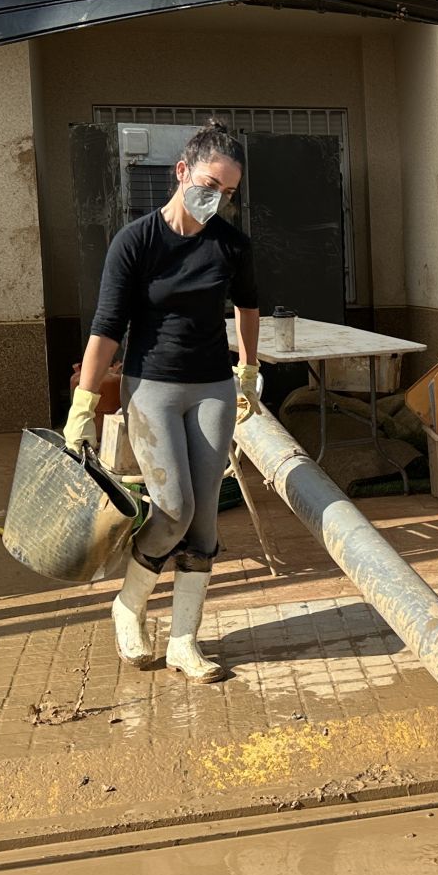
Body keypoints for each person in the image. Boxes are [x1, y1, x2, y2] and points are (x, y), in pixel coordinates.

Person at [64, 121, 261, 684]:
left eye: (228, 192)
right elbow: (106, 329)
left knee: (203, 522)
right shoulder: (136, 242)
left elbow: (248, 306)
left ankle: (183, 642)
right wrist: (84, 407)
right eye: (209, 184)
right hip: (152, 385)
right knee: (172, 508)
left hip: (213, 389)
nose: (217, 198)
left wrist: (246, 369)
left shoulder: (231, 244)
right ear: (181, 172)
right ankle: (129, 604)